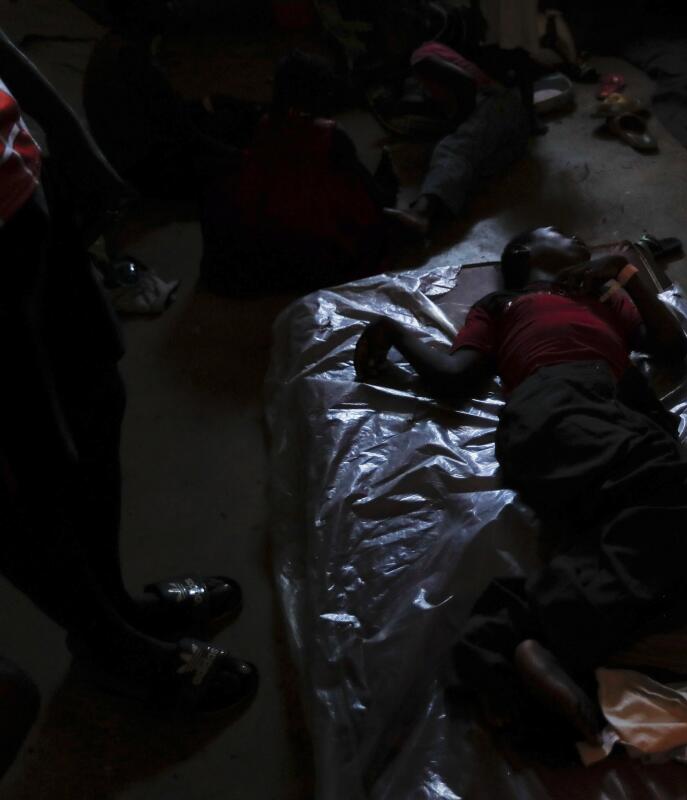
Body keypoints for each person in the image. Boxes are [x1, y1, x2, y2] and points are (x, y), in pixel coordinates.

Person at [354, 227, 687, 743]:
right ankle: (515, 633)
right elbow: (454, 376)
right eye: (563, 234)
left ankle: (519, 659)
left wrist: (625, 277)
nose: (578, 238)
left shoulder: (601, 295)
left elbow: (671, 350)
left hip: (608, 410)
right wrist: (394, 333)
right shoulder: (504, 304)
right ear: (524, 253)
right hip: (556, 403)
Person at [0, 27, 258, 714]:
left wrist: (66, 144)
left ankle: (113, 603)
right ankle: (107, 643)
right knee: (23, 472)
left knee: (93, 395)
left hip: (17, 188)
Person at [201, 50, 396, 295]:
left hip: (269, 245)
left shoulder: (263, 128)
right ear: (322, 94)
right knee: (380, 195)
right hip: (316, 250)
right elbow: (369, 199)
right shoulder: (329, 135)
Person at [384, 40, 533, 239]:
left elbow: (466, 84)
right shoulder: (434, 55)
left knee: (452, 150)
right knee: (466, 167)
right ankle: (434, 211)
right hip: (513, 129)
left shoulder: (421, 57)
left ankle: (420, 213)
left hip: (495, 105)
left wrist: (455, 125)